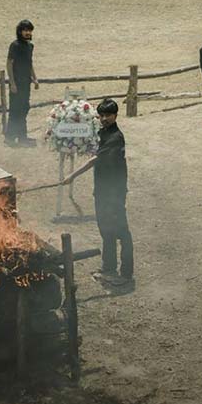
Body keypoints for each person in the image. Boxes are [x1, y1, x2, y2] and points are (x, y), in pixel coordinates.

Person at [62, 99, 133, 286]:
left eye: (108, 115)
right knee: (105, 229)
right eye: (101, 115)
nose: (104, 119)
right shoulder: (102, 132)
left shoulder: (116, 137)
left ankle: (126, 273)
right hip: (102, 189)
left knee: (121, 231)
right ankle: (109, 267)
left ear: (115, 115)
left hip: (114, 191)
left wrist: (72, 176)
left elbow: (94, 160)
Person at [5, 19, 39, 147]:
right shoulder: (15, 46)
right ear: (20, 31)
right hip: (17, 83)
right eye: (25, 30)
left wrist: (35, 78)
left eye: (29, 30)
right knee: (15, 110)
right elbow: (9, 64)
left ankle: (22, 137)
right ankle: (10, 138)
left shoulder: (30, 46)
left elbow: (30, 64)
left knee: (24, 108)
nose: (27, 33)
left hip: (26, 83)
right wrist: (12, 83)